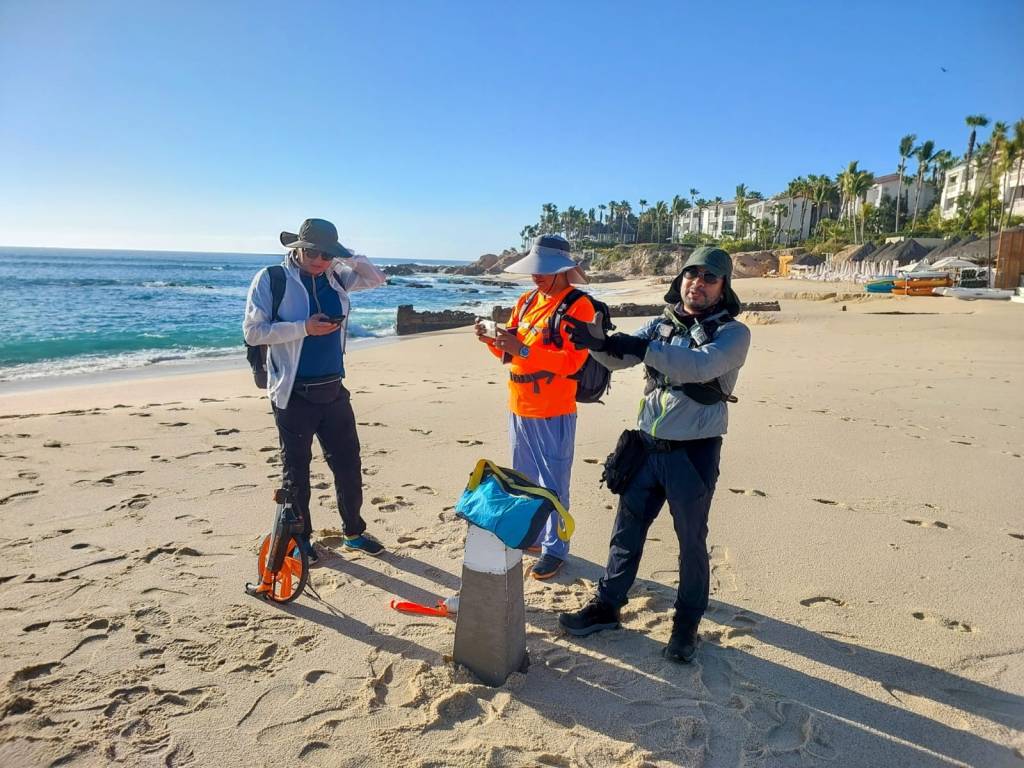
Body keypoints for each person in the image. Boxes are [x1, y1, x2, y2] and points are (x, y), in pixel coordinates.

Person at [558, 246, 750, 662]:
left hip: (693, 454)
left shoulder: (734, 334)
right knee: (625, 532)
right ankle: (607, 606)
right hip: (645, 447)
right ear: (680, 280)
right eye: (691, 274)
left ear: (723, 287)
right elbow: (617, 358)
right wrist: (595, 342)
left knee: (691, 542)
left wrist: (639, 347)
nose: (697, 283)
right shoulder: (661, 324)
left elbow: (699, 367)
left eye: (709, 277)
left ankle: (686, 625)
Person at [243, 218, 388, 563]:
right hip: (293, 392)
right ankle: (301, 539)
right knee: (296, 472)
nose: (319, 260)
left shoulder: (336, 276)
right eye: (312, 252)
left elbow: (375, 277)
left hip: (333, 388)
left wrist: (344, 255)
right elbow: (253, 332)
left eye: (327, 254)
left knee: (349, 466)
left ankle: (353, 533)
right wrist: (304, 328)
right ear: (298, 249)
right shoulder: (272, 279)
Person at [474, 234, 595, 580]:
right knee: (524, 479)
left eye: (544, 270)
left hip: (553, 408)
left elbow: (572, 362)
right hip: (519, 403)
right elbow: (509, 351)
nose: (536, 275)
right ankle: (534, 536)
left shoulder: (579, 306)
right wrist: (491, 340)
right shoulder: (526, 301)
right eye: (535, 269)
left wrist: (524, 350)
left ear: (562, 270)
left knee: (553, 483)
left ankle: (555, 549)